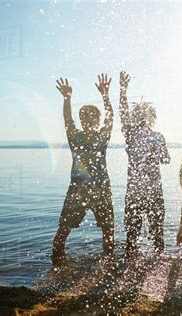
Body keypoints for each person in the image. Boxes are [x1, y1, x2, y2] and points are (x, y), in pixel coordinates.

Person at [52, 74, 115, 264]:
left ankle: (109, 264)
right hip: (77, 189)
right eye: (85, 118)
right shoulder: (75, 137)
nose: (89, 121)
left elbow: (110, 119)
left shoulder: (102, 137)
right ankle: (57, 260)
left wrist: (105, 96)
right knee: (64, 228)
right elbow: (67, 118)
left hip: (101, 189)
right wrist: (67, 98)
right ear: (81, 120)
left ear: (97, 120)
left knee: (108, 230)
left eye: (92, 118)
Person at [119, 71, 170, 256]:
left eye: (144, 115)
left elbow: (166, 158)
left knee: (156, 234)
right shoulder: (131, 134)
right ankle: (132, 266)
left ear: (150, 117)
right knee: (132, 235)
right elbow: (122, 114)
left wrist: (155, 156)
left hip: (151, 191)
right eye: (138, 115)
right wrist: (123, 90)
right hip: (136, 192)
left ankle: (155, 265)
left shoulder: (158, 137)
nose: (141, 118)